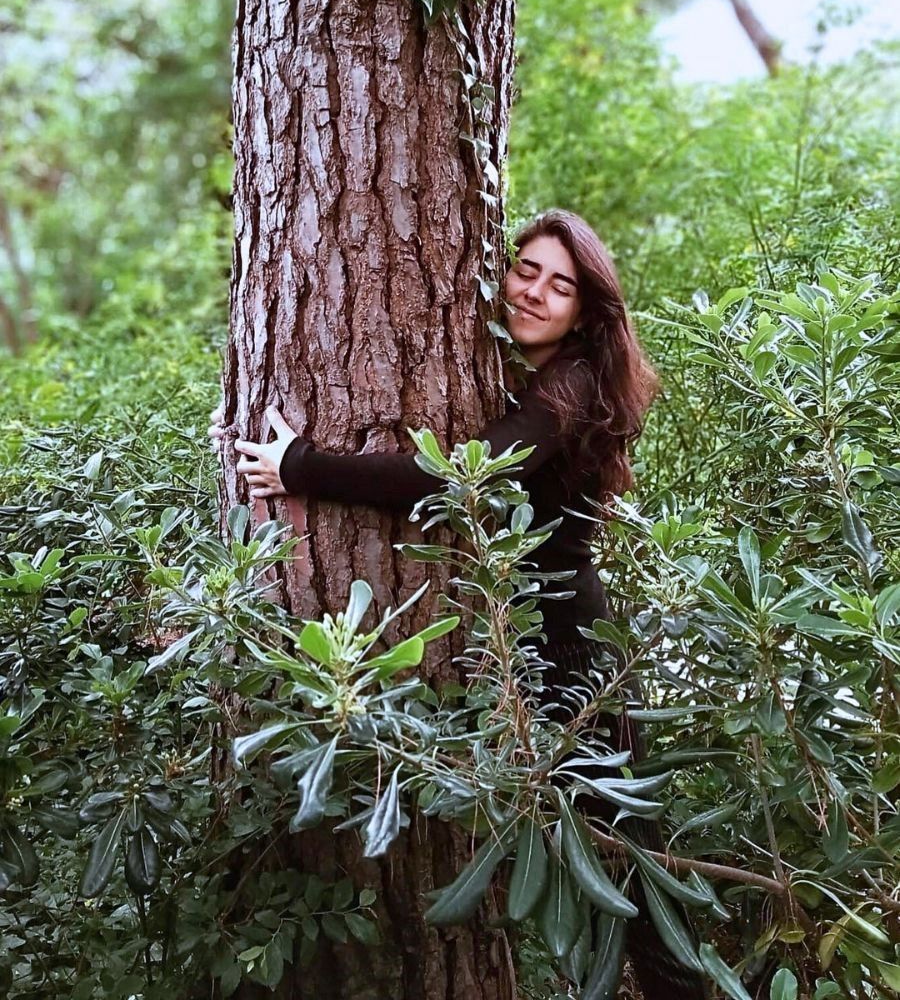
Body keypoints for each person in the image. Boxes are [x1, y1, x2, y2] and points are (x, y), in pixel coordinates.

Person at [211, 209, 705, 999]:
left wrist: (302, 463)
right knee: (585, 877)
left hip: (572, 657)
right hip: (530, 647)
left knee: (630, 877)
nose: (536, 292)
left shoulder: (570, 386)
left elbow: (457, 478)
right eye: (526, 270)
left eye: (561, 284)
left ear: (587, 308)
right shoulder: (525, 374)